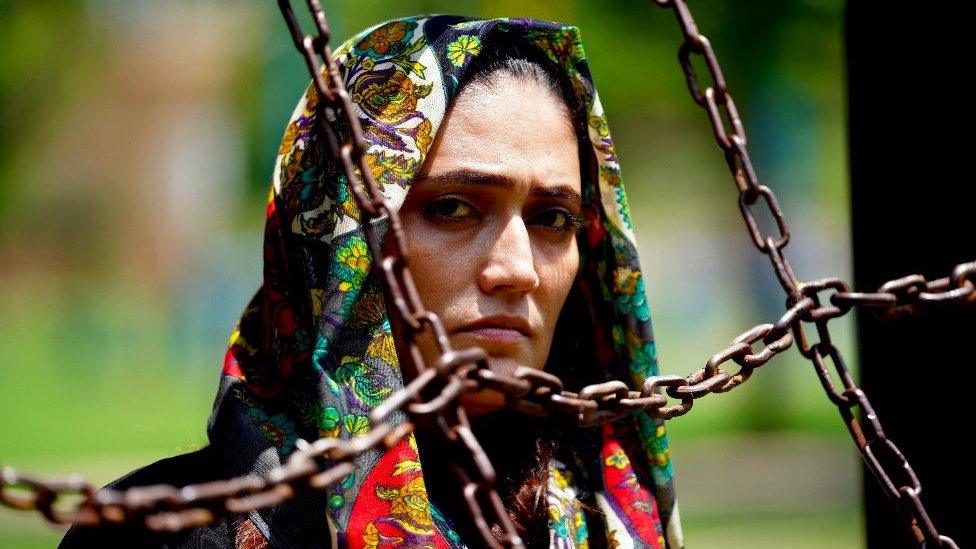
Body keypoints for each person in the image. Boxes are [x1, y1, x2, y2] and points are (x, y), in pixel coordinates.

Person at [61, 14, 684, 548]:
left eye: (553, 219)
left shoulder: (610, 520)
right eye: (453, 208)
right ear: (339, 238)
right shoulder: (162, 533)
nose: (518, 269)